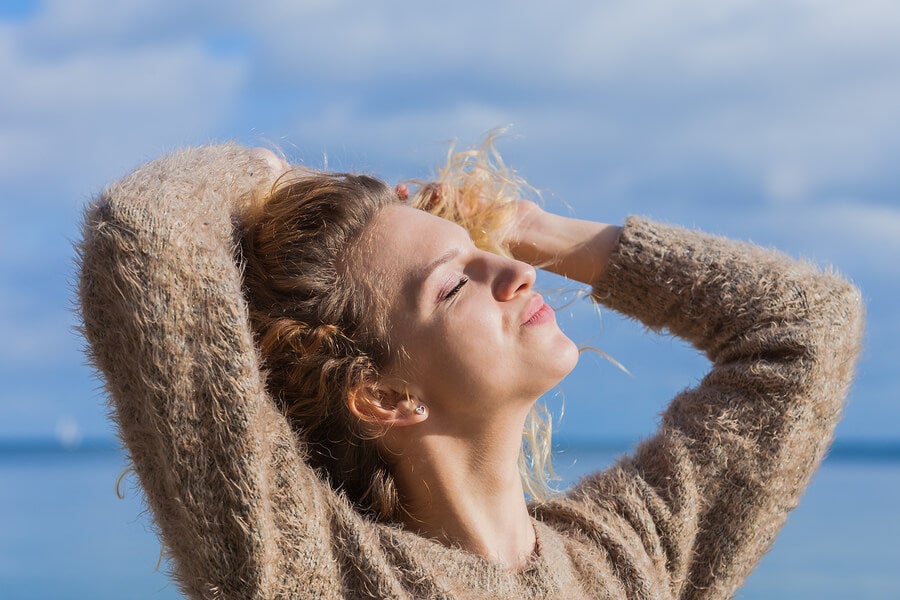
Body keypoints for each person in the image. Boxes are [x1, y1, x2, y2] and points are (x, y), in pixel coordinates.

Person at [78, 139, 863, 600]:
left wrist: (532, 229)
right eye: (453, 285)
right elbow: (142, 238)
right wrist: (264, 175)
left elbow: (806, 325)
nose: (513, 273)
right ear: (383, 395)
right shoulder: (314, 570)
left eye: (489, 256)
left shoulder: (627, 555)